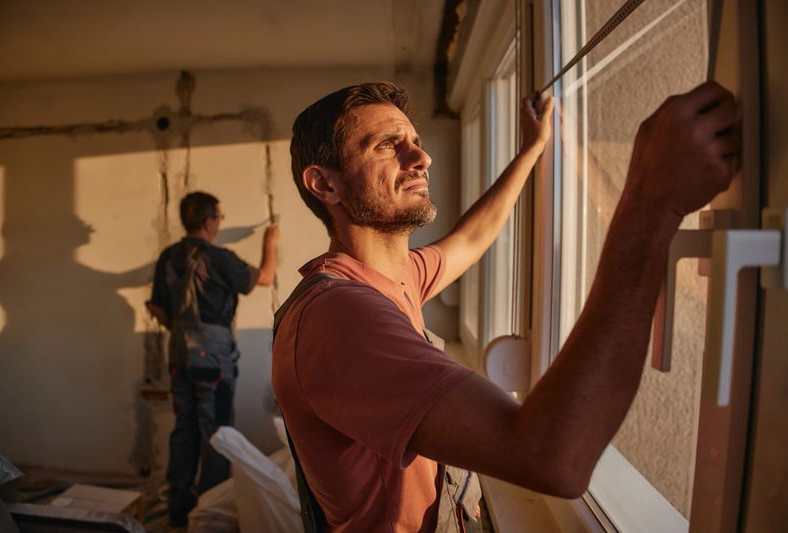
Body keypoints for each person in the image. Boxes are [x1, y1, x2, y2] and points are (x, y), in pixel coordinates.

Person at [272, 81, 740, 532]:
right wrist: (652, 201)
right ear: (325, 185)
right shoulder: (339, 318)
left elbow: (471, 238)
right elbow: (553, 459)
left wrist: (532, 148)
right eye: (386, 146)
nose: (421, 157)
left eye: (414, 140)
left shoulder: (391, 278)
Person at [148, 191, 280, 526]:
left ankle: (179, 508)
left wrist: (182, 332)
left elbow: (159, 310)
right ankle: (211, 510)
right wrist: (271, 242)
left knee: (185, 427)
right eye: (218, 219)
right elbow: (264, 278)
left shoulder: (168, 257)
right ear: (209, 221)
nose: (218, 224)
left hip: (178, 350)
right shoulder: (219, 258)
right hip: (212, 353)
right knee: (217, 431)